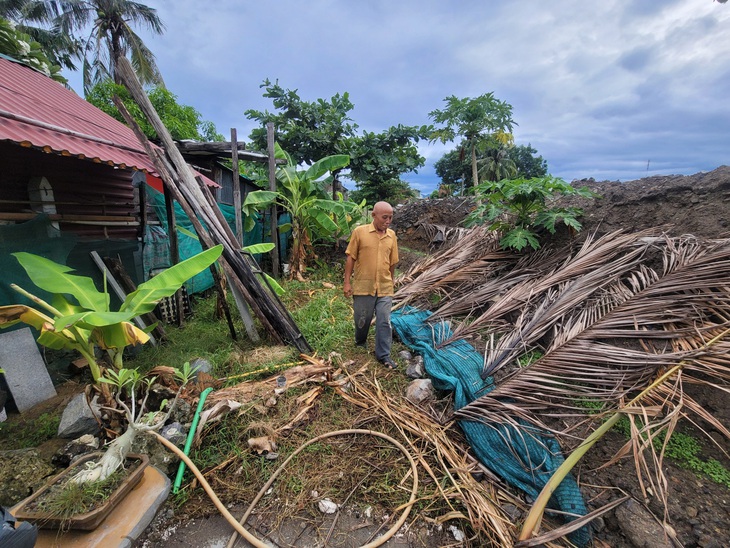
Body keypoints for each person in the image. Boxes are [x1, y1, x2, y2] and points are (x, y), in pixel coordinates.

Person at [343, 201, 399, 369]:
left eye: (390, 217)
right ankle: (360, 341)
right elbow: (350, 257)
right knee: (362, 319)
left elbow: (392, 262)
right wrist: (347, 282)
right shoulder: (360, 232)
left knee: (384, 320)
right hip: (363, 285)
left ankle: (384, 355)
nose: (388, 221)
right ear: (373, 215)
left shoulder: (392, 236)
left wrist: (390, 280)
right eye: (384, 217)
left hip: (384, 287)